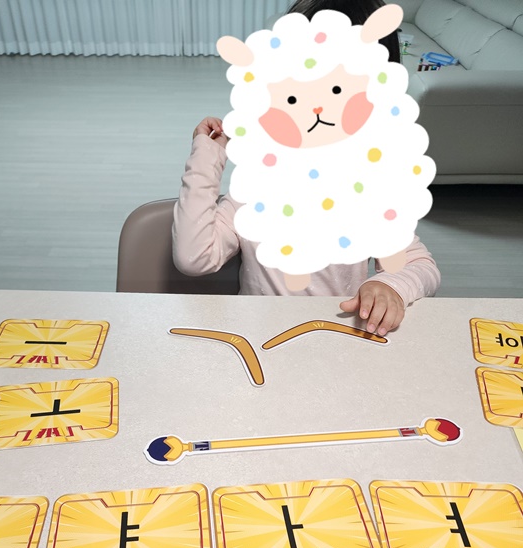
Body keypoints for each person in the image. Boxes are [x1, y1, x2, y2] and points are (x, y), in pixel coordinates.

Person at [172, 0, 440, 337]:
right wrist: (208, 155)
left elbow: (421, 265)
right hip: (258, 340)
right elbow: (193, 258)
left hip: (336, 340)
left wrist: (391, 285)